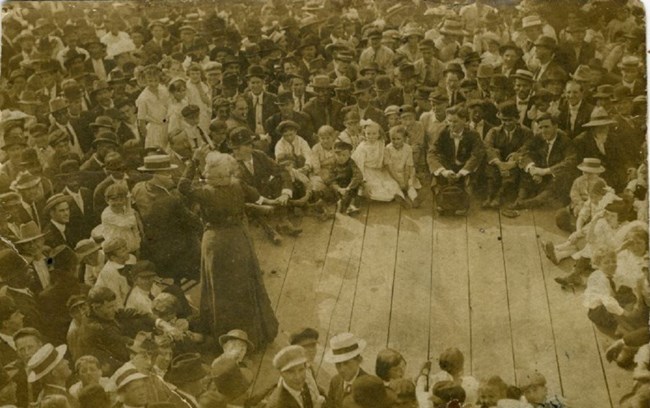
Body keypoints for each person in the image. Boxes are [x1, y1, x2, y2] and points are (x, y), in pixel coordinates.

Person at [178, 151, 278, 350]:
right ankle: (254, 333)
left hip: (216, 242)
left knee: (221, 288)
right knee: (244, 284)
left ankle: (223, 332)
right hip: (239, 239)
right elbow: (258, 197)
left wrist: (192, 161)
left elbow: (182, 186)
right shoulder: (237, 186)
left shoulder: (206, 192)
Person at [483, 101, 533, 208]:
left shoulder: (526, 132)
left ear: (516, 118)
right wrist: (499, 163)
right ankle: (489, 196)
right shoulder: (494, 132)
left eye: (509, 120)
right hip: (499, 164)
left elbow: (527, 148)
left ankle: (507, 196)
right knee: (490, 164)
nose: (506, 123)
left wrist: (513, 161)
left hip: (516, 164)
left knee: (525, 164)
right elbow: (488, 147)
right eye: (503, 120)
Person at [351, 120, 407, 205]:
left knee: (392, 184)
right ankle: (384, 197)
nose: (371, 136)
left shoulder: (380, 143)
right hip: (367, 171)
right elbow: (359, 165)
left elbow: (385, 159)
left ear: (379, 134)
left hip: (379, 170)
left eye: (374, 133)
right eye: (368, 134)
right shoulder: (362, 147)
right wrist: (363, 180)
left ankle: (397, 196)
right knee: (376, 186)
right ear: (364, 134)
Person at [324, 332, 368, 408]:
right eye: (338, 364)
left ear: (358, 360)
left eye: (346, 363)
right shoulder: (335, 382)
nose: (342, 369)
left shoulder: (369, 384)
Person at [27, 343, 78, 408]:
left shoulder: (53, 392)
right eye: (62, 361)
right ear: (55, 373)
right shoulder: (54, 401)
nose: (67, 362)